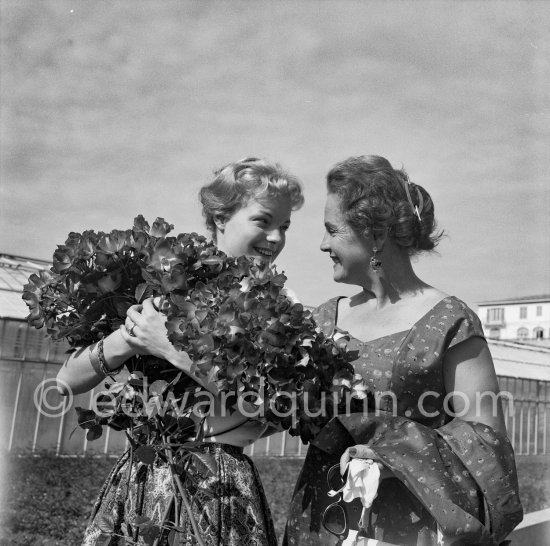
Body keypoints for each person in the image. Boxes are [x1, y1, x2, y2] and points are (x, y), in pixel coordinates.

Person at [57, 157, 304, 546]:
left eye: (284, 226)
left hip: (218, 488)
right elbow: (65, 381)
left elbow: (272, 409)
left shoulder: (280, 303)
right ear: (221, 217)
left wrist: (170, 348)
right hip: (141, 479)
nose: (275, 238)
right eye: (263, 220)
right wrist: (129, 337)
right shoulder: (161, 280)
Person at [283, 155, 522, 546]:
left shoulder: (450, 321)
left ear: (374, 234)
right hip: (323, 522)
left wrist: (397, 455)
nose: (323, 244)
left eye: (332, 230)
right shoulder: (324, 319)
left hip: (410, 529)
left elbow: (487, 439)